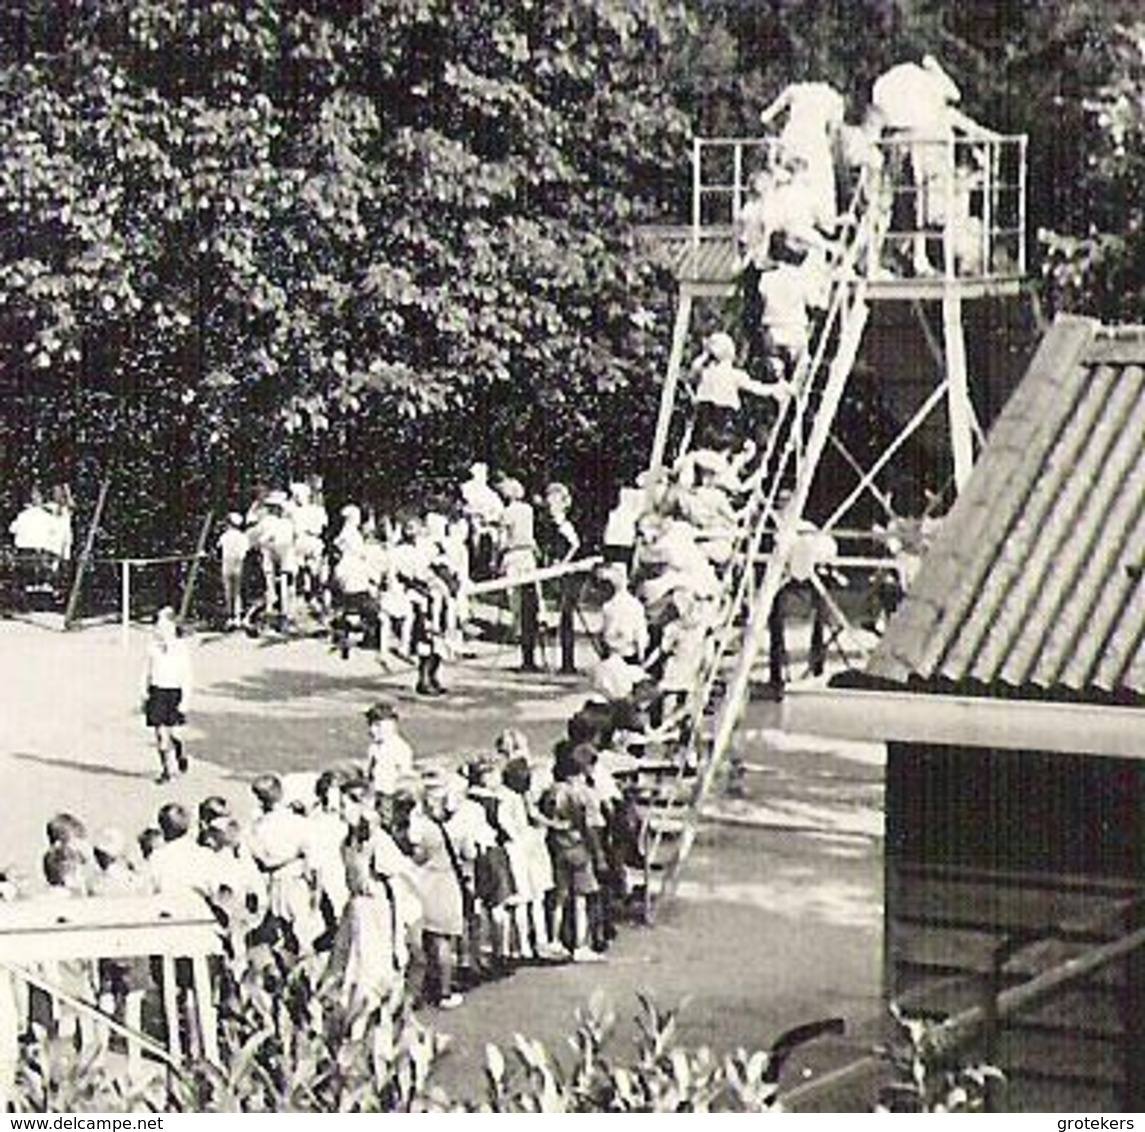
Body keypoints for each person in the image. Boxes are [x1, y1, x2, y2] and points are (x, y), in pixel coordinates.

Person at [759, 80, 846, 234]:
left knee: (789, 188)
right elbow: (833, 131)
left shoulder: (795, 90)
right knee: (820, 193)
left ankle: (784, 230)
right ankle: (821, 233)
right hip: (816, 148)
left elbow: (765, 117)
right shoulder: (834, 97)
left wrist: (777, 136)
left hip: (793, 144)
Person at [141, 607, 192, 783]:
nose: (161, 631)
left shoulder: (180, 648)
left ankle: (181, 754)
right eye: (158, 627)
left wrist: (185, 701)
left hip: (174, 692)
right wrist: (143, 693)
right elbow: (146, 672)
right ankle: (166, 771)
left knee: (176, 735)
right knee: (161, 736)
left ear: (172, 627)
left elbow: (186, 677)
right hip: (157, 692)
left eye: (165, 627)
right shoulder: (151, 648)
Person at [537, 482, 581, 674]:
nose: (550, 506)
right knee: (551, 613)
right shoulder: (550, 525)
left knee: (565, 616)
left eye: (554, 502)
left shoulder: (564, 524)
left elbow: (575, 544)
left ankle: (567, 663)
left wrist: (563, 562)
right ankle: (557, 661)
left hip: (565, 575)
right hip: (552, 572)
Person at [496, 478, 540, 672]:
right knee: (531, 599)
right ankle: (529, 641)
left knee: (516, 600)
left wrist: (495, 560)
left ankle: (522, 638)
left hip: (513, 555)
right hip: (528, 555)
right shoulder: (528, 510)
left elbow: (502, 540)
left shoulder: (506, 513)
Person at [364, 701, 415, 826]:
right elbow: (370, 775)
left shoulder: (400, 748)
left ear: (392, 725)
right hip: (376, 797)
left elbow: (405, 779)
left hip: (392, 799)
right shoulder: (374, 748)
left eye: (377, 725)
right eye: (370, 725)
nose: (372, 730)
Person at [459, 463, 505, 582]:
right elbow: (463, 507)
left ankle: (491, 569)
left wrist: (489, 518)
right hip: (473, 524)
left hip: (489, 525)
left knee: (493, 540)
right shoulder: (466, 489)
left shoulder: (490, 493)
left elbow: (499, 511)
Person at [218, 513, 250, 630]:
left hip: (227, 564)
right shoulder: (243, 537)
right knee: (237, 592)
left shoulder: (225, 536)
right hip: (239, 565)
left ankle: (230, 617)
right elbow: (246, 551)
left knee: (228, 591)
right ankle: (237, 617)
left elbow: (219, 548)